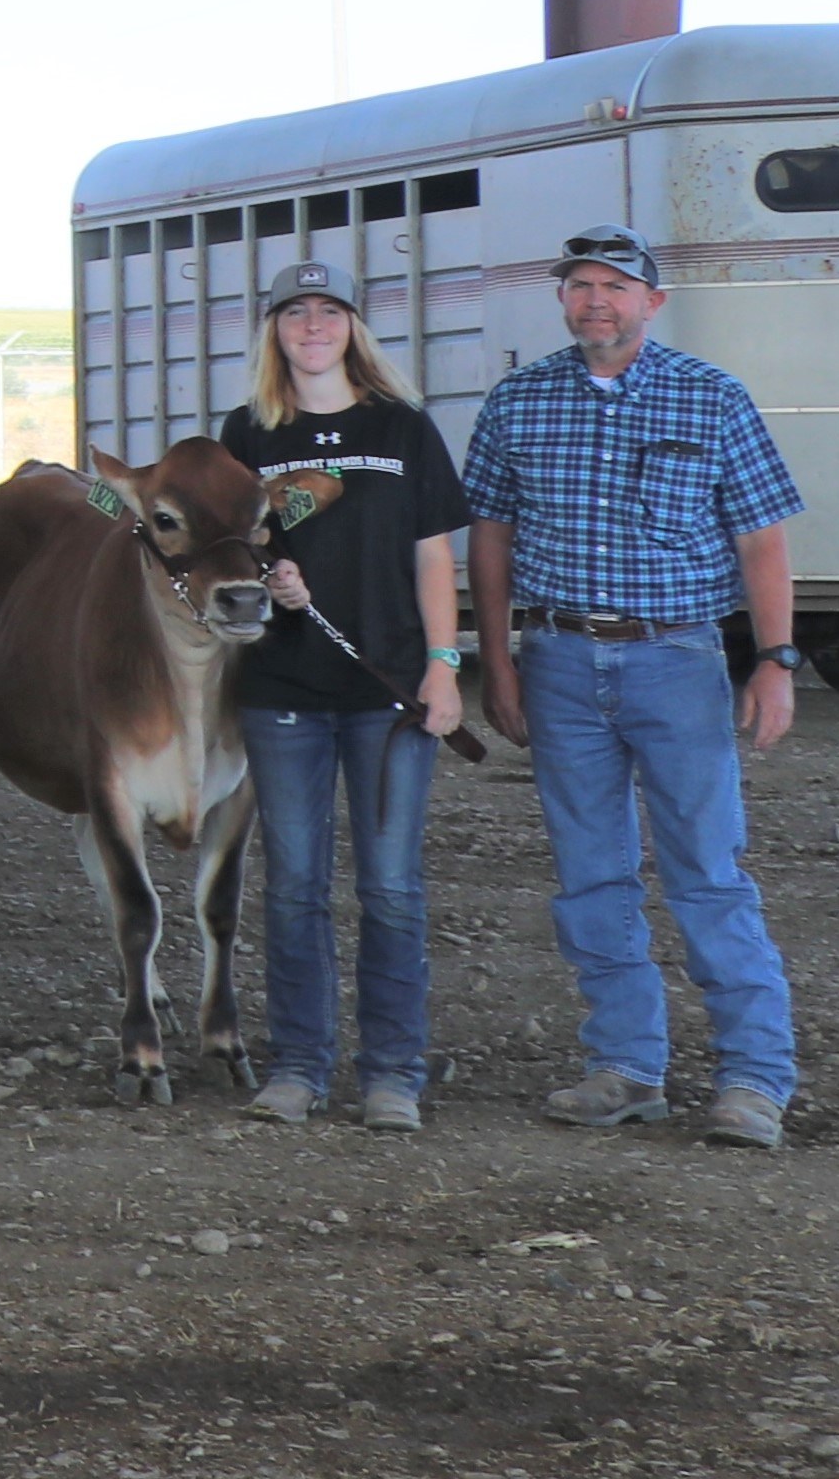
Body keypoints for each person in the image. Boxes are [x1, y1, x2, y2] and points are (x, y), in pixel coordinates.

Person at [464, 223, 806, 1150]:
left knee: (705, 870)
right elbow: (487, 535)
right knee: (590, 875)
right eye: (579, 285)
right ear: (563, 301)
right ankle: (625, 1066)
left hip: (676, 662)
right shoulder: (519, 401)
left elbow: (761, 538)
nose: (595, 301)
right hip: (558, 661)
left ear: (651, 303)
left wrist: (773, 661)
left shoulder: (711, 398)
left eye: (615, 285)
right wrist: (495, 662)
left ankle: (752, 1078)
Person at [214, 258, 466, 1134]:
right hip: (283, 685)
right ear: (273, 330)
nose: (312, 326)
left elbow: (434, 555)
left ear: (354, 325)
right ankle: (297, 1064)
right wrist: (267, 575)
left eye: (328, 311)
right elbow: (222, 551)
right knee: (292, 884)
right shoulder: (244, 432)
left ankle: (392, 1071)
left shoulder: (402, 428)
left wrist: (444, 664)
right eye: (295, 313)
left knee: (390, 885)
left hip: (389, 689)